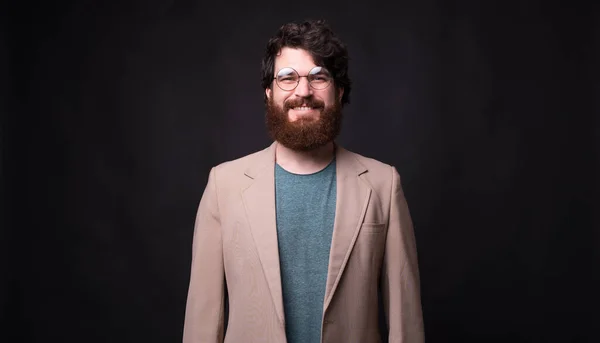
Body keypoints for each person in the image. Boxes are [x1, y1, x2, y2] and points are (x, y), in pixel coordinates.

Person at [182, 19, 424, 343]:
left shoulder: (383, 185)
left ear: (339, 91)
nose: (303, 91)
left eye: (318, 77)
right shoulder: (223, 186)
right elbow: (201, 325)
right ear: (269, 93)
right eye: (288, 77)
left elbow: (406, 325)